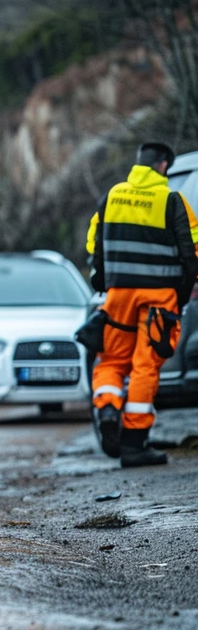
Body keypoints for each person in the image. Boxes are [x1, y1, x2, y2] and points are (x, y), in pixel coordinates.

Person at [86, 142, 198, 467]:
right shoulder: (171, 201)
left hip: (119, 295)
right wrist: (180, 295)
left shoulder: (112, 196)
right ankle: (134, 444)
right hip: (158, 300)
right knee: (144, 366)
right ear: (163, 166)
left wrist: (104, 283)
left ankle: (107, 408)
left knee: (110, 361)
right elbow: (191, 253)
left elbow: (95, 243)